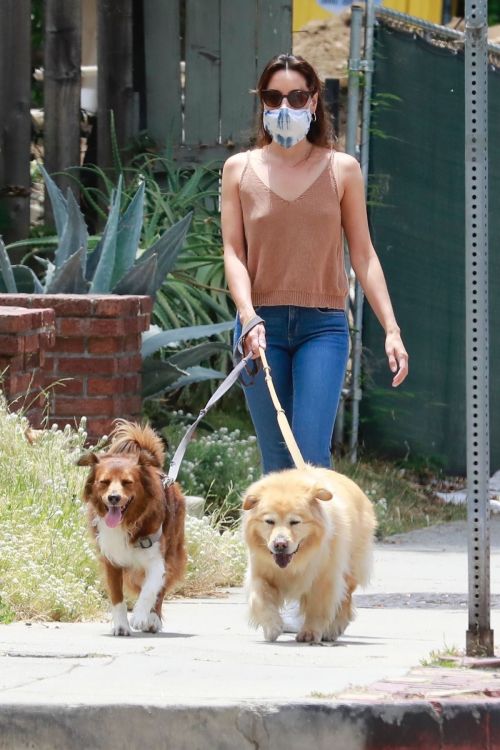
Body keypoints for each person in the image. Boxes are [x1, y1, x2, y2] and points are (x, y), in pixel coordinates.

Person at [221, 53, 408, 474]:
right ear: (262, 103)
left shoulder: (342, 170)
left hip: (322, 326)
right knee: (275, 464)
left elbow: (363, 253)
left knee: (310, 462)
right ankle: (277, 543)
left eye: (296, 96)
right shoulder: (239, 170)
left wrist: (391, 329)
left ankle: (321, 542)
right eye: (273, 97)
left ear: (314, 100)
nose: (284, 108)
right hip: (259, 327)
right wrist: (248, 317)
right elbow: (233, 252)